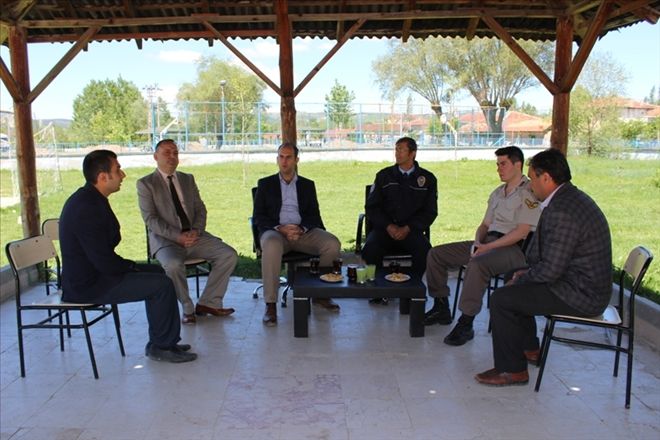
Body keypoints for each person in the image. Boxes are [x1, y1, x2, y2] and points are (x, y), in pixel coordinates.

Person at [475, 148, 612, 386]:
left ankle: (512, 370)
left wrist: (522, 278)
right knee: (514, 281)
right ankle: (529, 348)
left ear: (546, 178)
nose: (530, 186)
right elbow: (548, 259)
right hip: (579, 282)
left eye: (532, 179)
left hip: (582, 294)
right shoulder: (567, 198)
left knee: (502, 299)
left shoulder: (562, 211)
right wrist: (522, 274)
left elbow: (550, 270)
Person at [59, 149, 196, 363]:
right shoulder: (85, 207)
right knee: (160, 285)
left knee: (159, 272)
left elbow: (103, 254)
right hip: (87, 284)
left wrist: (131, 266)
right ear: (103, 177)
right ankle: (162, 346)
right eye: (118, 170)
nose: (122, 175)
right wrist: (131, 267)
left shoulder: (92, 198)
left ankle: (162, 341)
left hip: (99, 273)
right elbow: (103, 261)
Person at [425, 146, 541, 347]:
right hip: (488, 243)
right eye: (497, 164)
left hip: (514, 249)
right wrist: (479, 241)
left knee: (478, 264)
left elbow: (522, 232)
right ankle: (441, 305)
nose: (499, 169)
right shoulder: (497, 193)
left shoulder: (529, 192)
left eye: (503, 164)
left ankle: (466, 322)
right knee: (436, 254)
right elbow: (485, 225)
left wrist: (488, 247)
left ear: (518, 165)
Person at [137, 139, 238, 325]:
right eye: (167, 153)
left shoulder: (187, 179)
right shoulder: (146, 184)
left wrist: (196, 231)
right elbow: (151, 219)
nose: (172, 156)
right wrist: (178, 236)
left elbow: (200, 209)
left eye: (175, 153)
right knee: (173, 265)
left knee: (228, 255)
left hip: (195, 237)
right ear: (155, 156)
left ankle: (208, 303)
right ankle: (187, 307)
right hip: (167, 241)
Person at [253, 142, 342, 326]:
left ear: (296, 160)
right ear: (277, 159)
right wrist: (281, 228)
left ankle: (320, 295)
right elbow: (259, 217)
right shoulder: (265, 184)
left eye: (288, 157)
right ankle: (270, 305)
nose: (284, 161)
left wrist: (301, 229)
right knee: (271, 245)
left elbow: (314, 216)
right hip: (276, 232)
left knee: (332, 244)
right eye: (281, 157)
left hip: (302, 232)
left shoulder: (307, 185)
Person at [362, 136, 437, 304]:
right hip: (384, 230)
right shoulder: (384, 176)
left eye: (401, 149)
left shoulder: (427, 179)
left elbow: (430, 211)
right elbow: (372, 207)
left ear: (413, 153)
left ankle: (411, 289)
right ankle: (379, 289)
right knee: (370, 249)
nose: (397, 153)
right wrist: (388, 226)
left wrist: (408, 227)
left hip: (411, 230)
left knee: (425, 252)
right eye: (396, 149)